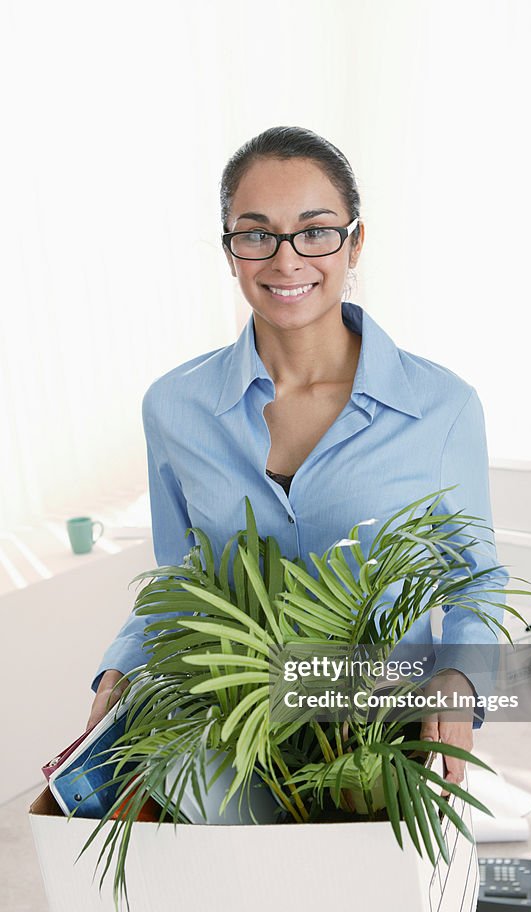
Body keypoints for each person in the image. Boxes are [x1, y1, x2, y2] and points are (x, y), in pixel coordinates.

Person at [86, 125, 508, 788]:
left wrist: (457, 681)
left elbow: (473, 578)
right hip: (233, 726)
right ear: (229, 251)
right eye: (256, 234)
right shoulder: (173, 407)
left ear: (354, 242)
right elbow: (183, 573)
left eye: (314, 231)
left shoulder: (442, 407)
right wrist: (124, 663)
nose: (285, 261)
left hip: (383, 733)